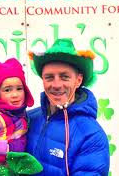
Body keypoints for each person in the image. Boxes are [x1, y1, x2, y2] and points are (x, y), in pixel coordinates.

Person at [26, 39, 110, 176]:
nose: (57, 85)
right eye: (49, 77)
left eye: (64, 77)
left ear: (78, 80)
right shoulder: (29, 119)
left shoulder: (91, 134)